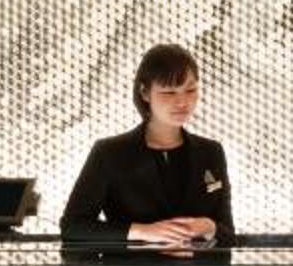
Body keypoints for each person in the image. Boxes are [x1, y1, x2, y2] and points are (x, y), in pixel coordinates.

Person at [61, 44, 235, 254]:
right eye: (169, 92)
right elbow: (73, 227)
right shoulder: (109, 153)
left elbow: (228, 234)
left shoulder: (211, 152)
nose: (182, 102)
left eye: (191, 90)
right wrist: (143, 232)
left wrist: (209, 227)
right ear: (145, 92)